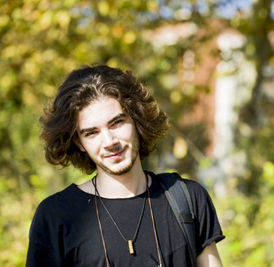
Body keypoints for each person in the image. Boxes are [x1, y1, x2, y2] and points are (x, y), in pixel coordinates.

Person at [26, 65, 224, 267]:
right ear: (79, 143)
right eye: (91, 133)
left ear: (137, 119)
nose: (109, 141)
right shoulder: (56, 216)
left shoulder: (189, 199)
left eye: (117, 123)